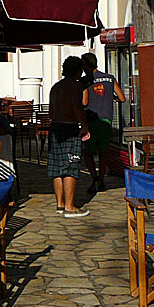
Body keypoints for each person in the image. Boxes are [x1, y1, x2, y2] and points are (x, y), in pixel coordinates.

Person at [48, 56, 91, 218]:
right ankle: (70, 206)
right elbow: (77, 107)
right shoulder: (75, 86)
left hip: (55, 127)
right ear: (78, 70)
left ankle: (59, 204)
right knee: (71, 166)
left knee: (57, 167)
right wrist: (85, 126)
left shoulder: (55, 87)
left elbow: (51, 111)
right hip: (69, 127)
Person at [80, 52, 126, 194]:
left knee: (88, 152)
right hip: (106, 119)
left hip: (91, 120)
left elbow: (84, 101)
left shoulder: (84, 80)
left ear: (85, 65)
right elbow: (122, 98)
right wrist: (111, 98)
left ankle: (94, 178)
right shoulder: (110, 78)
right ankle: (101, 178)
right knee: (103, 151)